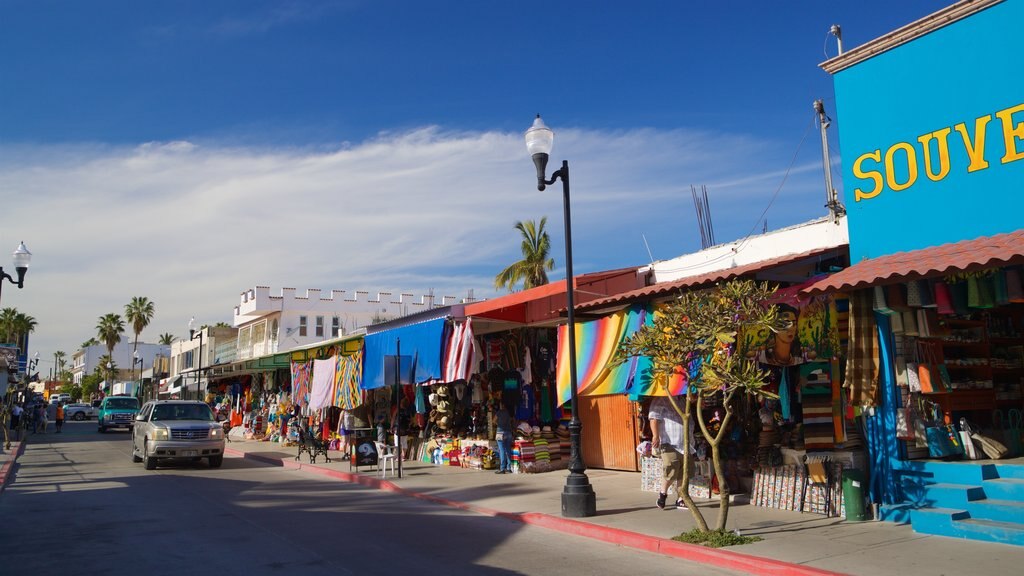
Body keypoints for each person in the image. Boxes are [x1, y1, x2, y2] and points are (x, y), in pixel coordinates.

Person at [648, 395, 695, 510]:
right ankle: (663, 494)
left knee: (684, 471)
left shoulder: (683, 399)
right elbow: (653, 418)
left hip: (686, 442)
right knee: (671, 469)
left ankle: (681, 498)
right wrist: (655, 436)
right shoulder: (661, 399)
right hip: (669, 442)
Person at [494, 402, 514, 474]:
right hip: (508, 432)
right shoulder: (509, 413)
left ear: (502, 405)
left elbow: (494, 420)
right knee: (508, 449)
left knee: (502, 450)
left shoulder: (499, 412)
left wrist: (498, 424)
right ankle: (509, 468)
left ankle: (502, 468)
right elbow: (511, 421)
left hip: (500, 432)